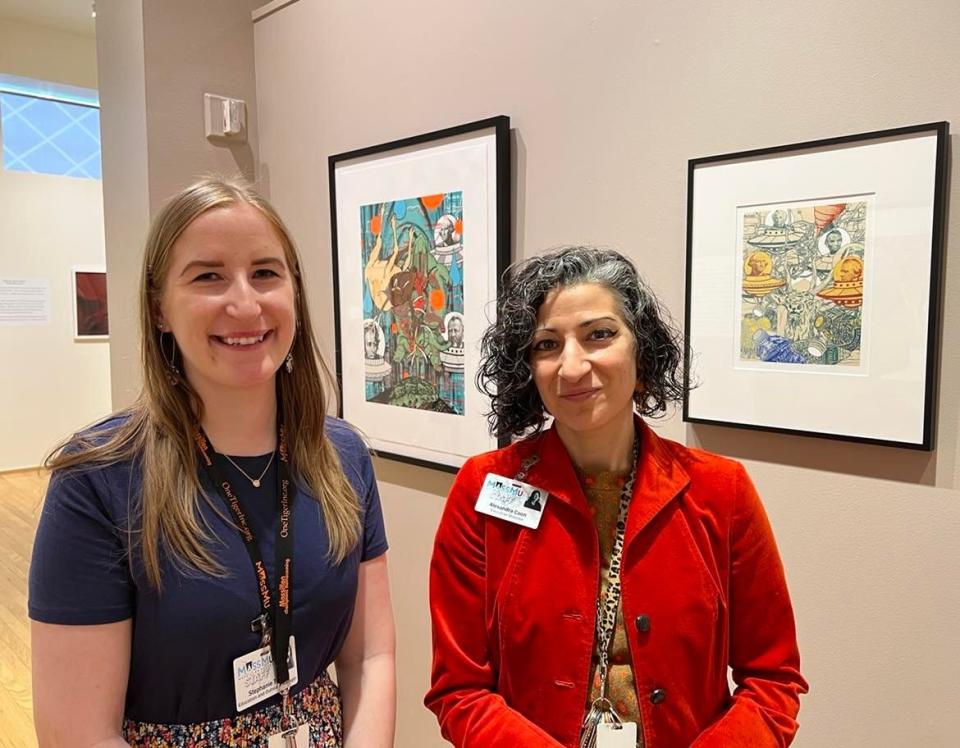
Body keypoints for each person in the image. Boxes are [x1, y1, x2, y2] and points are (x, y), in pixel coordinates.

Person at [29, 178, 396, 748]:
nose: (245, 304)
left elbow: (371, 657)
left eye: (266, 273)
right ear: (159, 310)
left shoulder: (343, 457)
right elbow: (75, 732)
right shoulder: (98, 480)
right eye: (208, 276)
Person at [425, 246, 807, 747]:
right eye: (546, 344)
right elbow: (460, 690)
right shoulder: (483, 489)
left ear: (640, 348)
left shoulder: (722, 491)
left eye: (599, 335)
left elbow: (773, 681)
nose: (572, 366)